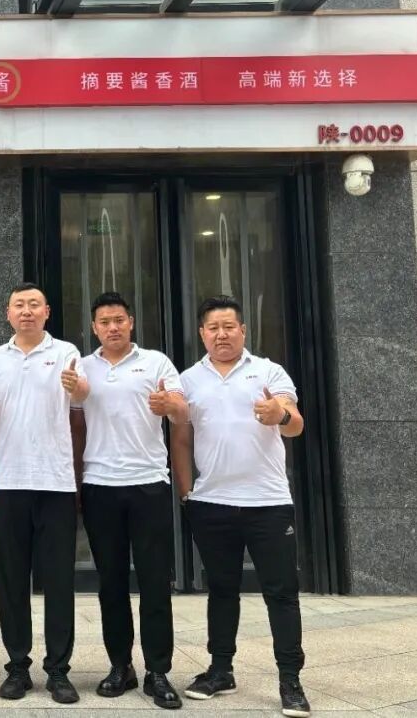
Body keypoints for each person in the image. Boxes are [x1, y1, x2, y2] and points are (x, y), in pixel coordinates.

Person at [171, 295, 310, 718]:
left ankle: (290, 680)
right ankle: (220, 670)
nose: (221, 334)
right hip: (212, 503)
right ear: (202, 334)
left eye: (229, 327)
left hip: (268, 504)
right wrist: (186, 492)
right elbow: (181, 438)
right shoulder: (188, 379)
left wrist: (278, 415)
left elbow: (296, 424)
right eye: (213, 328)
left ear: (243, 330)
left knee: (281, 593)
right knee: (221, 591)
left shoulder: (268, 371)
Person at [69, 292, 186, 710]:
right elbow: (76, 427)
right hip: (100, 485)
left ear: (131, 322)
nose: (112, 327)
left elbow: (181, 411)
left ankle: (158, 671)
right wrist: (76, 481)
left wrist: (171, 404)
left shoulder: (156, 363)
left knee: (155, 581)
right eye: (104, 321)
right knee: (111, 583)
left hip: (148, 484)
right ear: (94, 327)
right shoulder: (82, 367)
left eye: (119, 319)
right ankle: (121, 666)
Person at [0, 283, 89, 705]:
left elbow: (81, 400)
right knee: (11, 579)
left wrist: (77, 386)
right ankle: (17, 667)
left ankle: (58, 670)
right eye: (19, 305)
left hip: (56, 483)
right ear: (8, 313)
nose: (26, 311)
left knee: (59, 580)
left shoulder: (66, 352)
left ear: (47, 312)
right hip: (9, 482)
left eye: (34, 305)